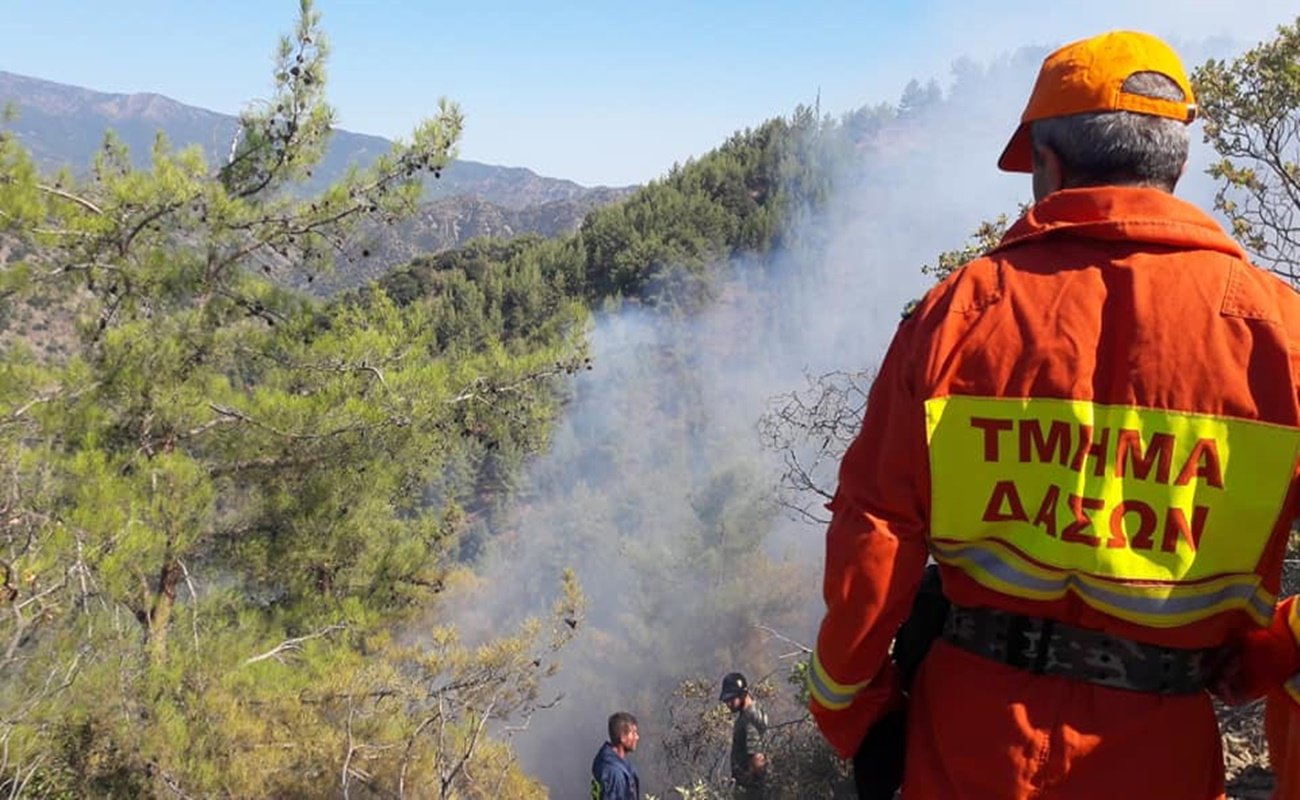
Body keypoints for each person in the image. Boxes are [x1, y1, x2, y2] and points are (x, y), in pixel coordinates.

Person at [805, 29, 1300, 800]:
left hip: (968, 744)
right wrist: (1272, 651)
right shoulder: (1283, 337)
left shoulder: (955, 316)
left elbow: (876, 535)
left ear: (1050, 163)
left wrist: (851, 710)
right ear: (1176, 161)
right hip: (1163, 751)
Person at [719, 672, 769, 798]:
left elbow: (758, 758)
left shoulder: (749, 719)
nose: (728, 704)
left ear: (742, 695)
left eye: (731, 699)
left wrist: (752, 787)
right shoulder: (754, 711)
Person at [591, 711, 641, 800]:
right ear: (623, 737)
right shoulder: (614, 774)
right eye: (633, 733)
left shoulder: (605, 759)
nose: (637, 737)